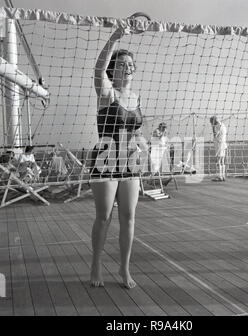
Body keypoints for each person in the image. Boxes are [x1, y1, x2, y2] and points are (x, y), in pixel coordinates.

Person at [90, 26, 143, 289]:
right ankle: (96, 265)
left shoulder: (136, 96)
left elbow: (134, 129)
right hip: (106, 158)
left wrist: (140, 144)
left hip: (130, 159)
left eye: (131, 64)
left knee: (129, 216)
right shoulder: (107, 92)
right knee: (104, 216)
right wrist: (115, 37)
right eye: (123, 63)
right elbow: (98, 69)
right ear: (115, 68)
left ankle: (124, 269)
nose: (129, 67)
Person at [210, 116, 227, 181]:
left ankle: (219, 176)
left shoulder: (216, 126)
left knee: (218, 161)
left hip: (219, 144)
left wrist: (213, 127)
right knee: (222, 161)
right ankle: (223, 176)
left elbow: (215, 135)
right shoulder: (223, 125)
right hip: (223, 144)